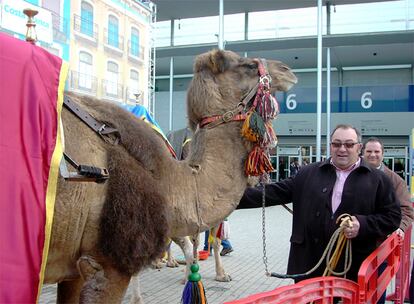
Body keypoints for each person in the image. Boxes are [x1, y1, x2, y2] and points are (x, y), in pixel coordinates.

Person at [238, 124, 401, 282]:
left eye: (349, 144)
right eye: (336, 144)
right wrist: (223, 200)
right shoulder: (307, 173)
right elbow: (271, 193)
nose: (342, 149)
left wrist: (363, 224)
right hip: (308, 265)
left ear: (358, 148)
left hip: (351, 269)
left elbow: (392, 218)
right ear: (330, 146)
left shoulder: (378, 179)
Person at [363, 137, 414, 304]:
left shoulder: (395, 181)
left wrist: (399, 228)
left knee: (377, 291)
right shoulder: (350, 176)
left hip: (381, 246)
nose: (372, 155)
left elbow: (407, 210)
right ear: (362, 153)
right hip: (353, 245)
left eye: (376, 151)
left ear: (383, 154)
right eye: (369, 151)